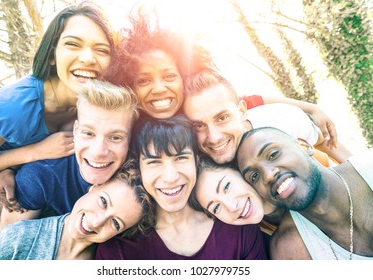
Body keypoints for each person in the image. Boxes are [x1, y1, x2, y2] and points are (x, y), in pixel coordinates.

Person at [0, 1, 115, 257]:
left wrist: (12, 168)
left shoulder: (94, 103)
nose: (88, 58)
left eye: (101, 49)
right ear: (52, 54)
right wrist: (31, 154)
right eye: (73, 44)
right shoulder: (15, 106)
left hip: (15, 171)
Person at [105, 11, 338, 149]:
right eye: (143, 81)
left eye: (169, 76)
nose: (159, 88)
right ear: (130, 87)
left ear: (184, 76)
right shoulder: (132, 123)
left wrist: (312, 108)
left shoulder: (197, 105)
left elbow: (253, 100)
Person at [95, 114, 267, 260]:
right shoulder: (118, 248)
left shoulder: (237, 221)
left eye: (181, 158)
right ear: (138, 169)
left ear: (195, 161)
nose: (171, 177)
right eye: (154, 162)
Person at [0, 80, 139, 229]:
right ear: (75, 131)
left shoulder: (143, 178)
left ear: (130, 140)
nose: (98, 152)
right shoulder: (41, 175)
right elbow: (4, 245)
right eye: (88, 133)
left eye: (115, 137)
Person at [236, 126, 373, 260]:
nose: (268, 176)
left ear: (304, 146)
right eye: (254, 176)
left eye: (273, 154)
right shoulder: (290, 251)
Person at [0, 160, 151, 260]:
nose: (97, 221)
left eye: (115, 223)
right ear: (95, 187)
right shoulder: (18, 237)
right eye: (103, 201)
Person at [183, 71, 352, 166]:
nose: (213, 137)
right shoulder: (196, 164)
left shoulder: (278, 120)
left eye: (222, 118)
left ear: (242, 111)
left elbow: (326, 142)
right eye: (198, 125)